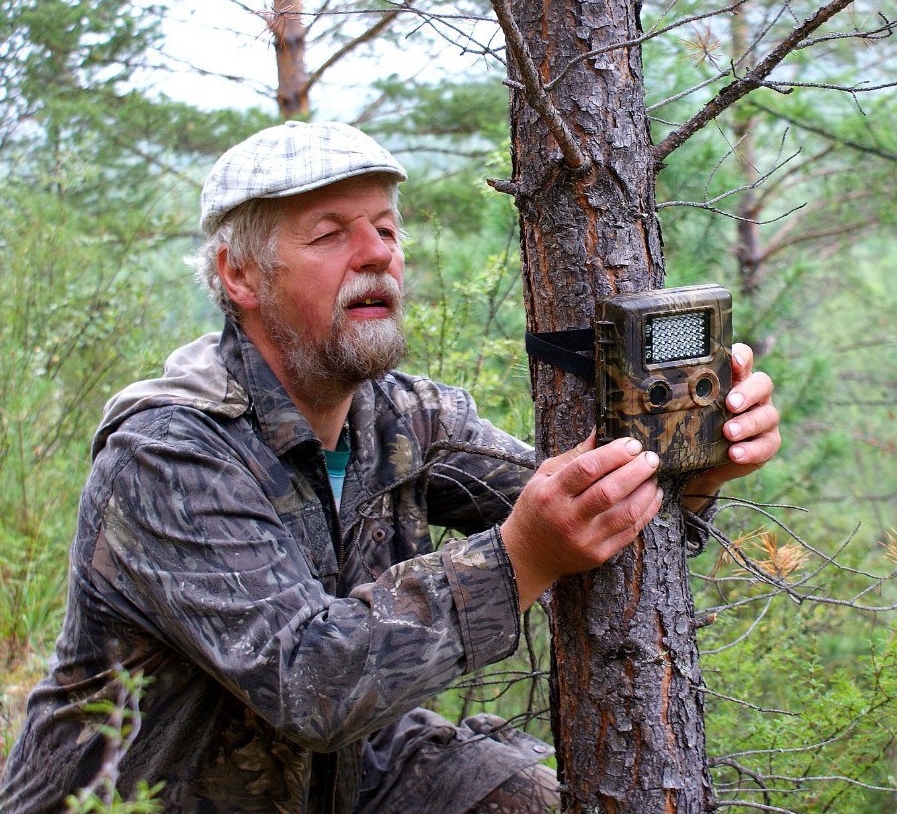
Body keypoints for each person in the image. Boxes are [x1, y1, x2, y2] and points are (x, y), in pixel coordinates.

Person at [0, 121, 781, 813]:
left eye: (384, 228)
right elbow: (311, 683)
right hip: (139, 796)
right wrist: (519, 558)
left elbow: (575, 512)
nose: (376, 253)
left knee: (536, 799)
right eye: (330, 234)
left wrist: (695, 467)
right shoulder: (170, 452)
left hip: (337, 776)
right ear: (239, 276)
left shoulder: (406, 415)